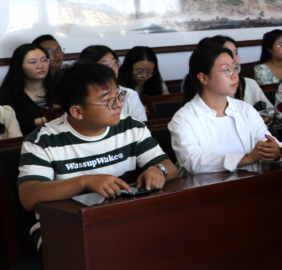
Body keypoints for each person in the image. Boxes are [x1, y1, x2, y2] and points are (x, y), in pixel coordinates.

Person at [19, 62, 178, 248]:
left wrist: (159, 170)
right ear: (77, 111)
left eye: (118, 95)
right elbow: (28, 196)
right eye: (108, 100)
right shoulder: (43, 141)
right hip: (65, 227)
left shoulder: (131, 126)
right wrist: (85, 182)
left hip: (121, 219)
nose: (119, 104)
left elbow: (169, 166)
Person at [170, 41, 282, 174]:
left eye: (235, 67)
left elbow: (267, 142)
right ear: (204, 78)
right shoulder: (183, 119)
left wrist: (277, 152)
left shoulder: (246, 110)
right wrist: (247, 159)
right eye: (227, 70)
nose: (235, 75)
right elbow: (192, 162)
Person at [207, 36, 282, 134]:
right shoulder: (208, 92)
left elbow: (275, 115)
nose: (234, 58)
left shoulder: (249, 84)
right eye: (228, 53)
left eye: (236, 53)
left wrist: (264, 119)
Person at [76, 46, 148, 123]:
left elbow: (142, 126)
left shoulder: (130, 95)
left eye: (115, 63)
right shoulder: (79, 95)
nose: (113, 68)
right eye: (105, 65)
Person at [0, 43, 53, 135]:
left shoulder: (59, 88)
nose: (40, 66)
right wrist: (44, 120)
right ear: (19, 66)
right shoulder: (8, 95)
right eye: (33, 62)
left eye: (44, 60)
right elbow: (6, 128)